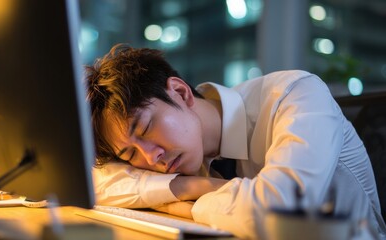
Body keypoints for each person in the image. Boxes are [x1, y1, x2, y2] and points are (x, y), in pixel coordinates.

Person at [85, 43, 386, 239]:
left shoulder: (295, 94)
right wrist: (188, 187)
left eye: (146, 128)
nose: (151, 158)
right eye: (129, 154)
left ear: (180, 92)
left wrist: (189, 206)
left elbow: (277, 215)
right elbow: (90, 180)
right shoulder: (184, 154)